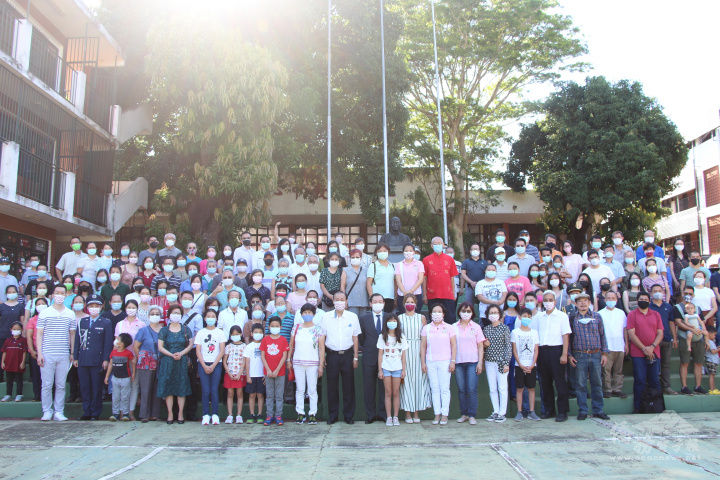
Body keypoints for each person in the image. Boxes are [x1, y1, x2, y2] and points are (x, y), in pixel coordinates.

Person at [567, 292, 610, 420]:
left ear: (589, 303)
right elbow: (568, 338)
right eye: (580, 301)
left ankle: (598, 410)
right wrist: (569, 355)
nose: (583, 303)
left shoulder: (597, 316)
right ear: (576, 303)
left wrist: (604, 353)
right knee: (580, 385)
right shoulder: (572, 318)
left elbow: (602, 335)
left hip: (595, 354)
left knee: (597, 384)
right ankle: (583, 410)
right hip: (580, 355)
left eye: (585, 300)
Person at [36, 284, 76, 421]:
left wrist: (72, 352)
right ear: (53, 295)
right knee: (47, 384)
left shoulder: (70, 314)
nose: (59, 295)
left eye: (62, 293)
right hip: (47, 353)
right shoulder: (45, 313)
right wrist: (40, 353)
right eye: (57, 292)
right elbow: (39, 334)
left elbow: (72, 334)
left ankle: (59, 411)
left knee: (61, 384)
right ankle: (47, 411)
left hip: (63, 353)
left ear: (65, 295)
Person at [322, 291, 360, 424]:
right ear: (333, 301)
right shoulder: (326, 317)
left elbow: (355, 338)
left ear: (346, 301)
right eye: (337, 299)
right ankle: (333, 416)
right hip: (332, 355)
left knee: (348, 387)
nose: (339, 302)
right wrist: (323, 356)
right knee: (332, 387)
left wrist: (356, 357)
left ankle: (348, 416)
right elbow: (322, 337)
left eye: (342, 299)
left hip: (347, 355)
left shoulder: (352, 317)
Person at [73, 295, 112, 420]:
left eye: (96, 306)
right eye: (91, 306)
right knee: (84, 387)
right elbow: (77, 341)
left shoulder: (106, 322)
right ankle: (86, 411)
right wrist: (75, 357)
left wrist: (106, 359)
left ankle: (95, 412)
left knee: (96, 388)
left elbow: (107, 343)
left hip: (97, 360)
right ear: (87, 307)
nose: (94, 308)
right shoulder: (82, 322)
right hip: (83, 359)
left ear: (101, 307)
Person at [535, 289, 571, 422]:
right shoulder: (539, 317)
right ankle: (549, 410)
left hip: (556, 350)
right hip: (542, 351)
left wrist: (564, 354)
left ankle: (562, 411)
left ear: (555, 301)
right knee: (545, 383)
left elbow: (565, 335)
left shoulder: (562, 316)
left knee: (560, 382)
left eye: (550, 300)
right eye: (545, 300)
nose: (548, 302)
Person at [288, 303, 325, 425]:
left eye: (309, 312)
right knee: (300, 389)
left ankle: (312, 414)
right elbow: (291, 345)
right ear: (301, 314)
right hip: (298, 362)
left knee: (312, 390)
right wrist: (288, 359)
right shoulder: (296, 328)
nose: (307, 314)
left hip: (313, 363)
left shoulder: (318, 329)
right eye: (305, 312)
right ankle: (300, 413)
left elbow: (321, 348)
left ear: (314, 314)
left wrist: (321, 365)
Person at [627, 292, 664, 413]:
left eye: (646, 299)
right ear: (637, 301)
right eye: (641, 299)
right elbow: (631, 334)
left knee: (654, 380)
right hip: (638, 353)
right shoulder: (632, 314)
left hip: (654, 352)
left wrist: (652, 347)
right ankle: (638, 407)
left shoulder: (656, 314)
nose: (643, 301)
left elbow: (660, 333)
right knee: (640, 380)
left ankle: (657, 406)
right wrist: (644, 348)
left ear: (649, 301)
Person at [420, 303, 457, 425]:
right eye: (434, 311)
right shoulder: (426, 328)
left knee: (444, 389)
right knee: (434, 388)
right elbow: (423, 346)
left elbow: (453, 345)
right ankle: (437, 414)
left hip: (445, 362)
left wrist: (453, 361)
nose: (437, 314)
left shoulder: (449, 328)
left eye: (439, 311)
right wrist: (423, 362)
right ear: (430, 314)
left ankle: (445, 414)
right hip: (431, 361)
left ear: (443, 314)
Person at [157, 305, 194, 424]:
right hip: (167, 361)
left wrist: (181, 353)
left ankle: (180, 413)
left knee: (181, 386)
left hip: (181, 361)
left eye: (178, 313)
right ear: (169, 315)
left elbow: (190, 344)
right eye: (173, 313)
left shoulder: (185, 329)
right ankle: (170, 413)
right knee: (168, 387)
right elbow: (160, 346)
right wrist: (171, 354)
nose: (176, 315)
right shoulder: (164, 330)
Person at [398, 293, 430, 423]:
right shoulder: (399, 318)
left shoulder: (421, 318)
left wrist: (423, 358)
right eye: (407, 302)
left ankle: (416, 412)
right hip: (404, 351)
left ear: (416, 304)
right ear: (404, 304)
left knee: (418, 381)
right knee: (406, 382)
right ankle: (407, 413)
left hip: (418, 351)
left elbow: (424, 338)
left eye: (412, 302)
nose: (410, 304)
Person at [358, 294, 390, 424]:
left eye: (380, 301)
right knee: (369, 387)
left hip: (386, 357)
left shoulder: (389, 317)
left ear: (384, 303)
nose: (378, 303)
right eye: (375, 301)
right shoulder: (364, 318)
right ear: (370, 304)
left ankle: (383, 414)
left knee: (384, 388)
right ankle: (370, 415)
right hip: (369, 356)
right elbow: (361, 338)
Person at [454, 302, 485, 425]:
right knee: (462, 390)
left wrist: (480, 362)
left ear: (472, 313)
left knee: (471, 389)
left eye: (468, 311)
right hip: (458, 362)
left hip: (472, 362)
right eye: (463, 311)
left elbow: (480, 346)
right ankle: (464, 414)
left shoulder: (476, 327)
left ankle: (472, 415)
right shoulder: (453, 327)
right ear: (459, 312)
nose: (466, 313)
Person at [195, 308, 227, 425]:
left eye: (213, 316)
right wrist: (204, 365)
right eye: (208, 316)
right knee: (205, 390)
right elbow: (198, 350)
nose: (210, 318)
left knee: (214, 390)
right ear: (204, 318)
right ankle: (205, 414)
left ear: (216, 319)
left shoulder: (220, 332)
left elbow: (222, 350)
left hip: (216, 364)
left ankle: (215, 414)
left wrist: (213, 365)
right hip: (203, 364)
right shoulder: (201, 332)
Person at [673, 289, 708, 395]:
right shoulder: (677, 307)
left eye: (690, 293)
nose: (688, 295)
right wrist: (692, 330)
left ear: (693, 295)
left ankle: (698, 386)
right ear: (682, 294)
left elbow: (702, 323)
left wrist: (706, 338)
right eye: (686, 293)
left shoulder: (697, 308)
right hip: (685, 337)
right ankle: (684, 387)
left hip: (699, 338)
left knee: (699, 363)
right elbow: (679, 323)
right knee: (685, 362)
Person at [481, 304, 511, 423]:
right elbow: (483, 346)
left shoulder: (504, 328)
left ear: (499, 314)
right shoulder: (486, 329)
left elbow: (508, 347)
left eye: (495, 312)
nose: (493, 315)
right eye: (491, 313)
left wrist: (506, 363)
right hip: (489, 362)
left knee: (502, 388)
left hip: (501, 362)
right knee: (492, 388)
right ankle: (495, 411)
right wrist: (485, 346)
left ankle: (502, 412)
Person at [377, 314, 408, 427]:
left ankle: (396, 417)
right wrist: (380, 370)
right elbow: (380, 355)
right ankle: (389, 417)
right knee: (388, 392)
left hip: (397, 368)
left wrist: (403, 370)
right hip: (386, 368)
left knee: (395, 392)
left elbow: (404, 355)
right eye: (390, 320)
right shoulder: (382, 337)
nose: (392, 322)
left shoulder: (402, 337)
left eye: (394, 320)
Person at [133, 306, 163, 422]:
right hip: (146, 364)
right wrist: (142, 357)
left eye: (157, 314)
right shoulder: (143, 330)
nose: (155, 316)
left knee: (157, 389)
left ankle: (155, 414)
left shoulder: (163, 331)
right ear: (148, 316)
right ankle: (144, 415)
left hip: (160, 363)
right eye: (152, 313)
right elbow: (136, 346)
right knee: (145, 389)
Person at [511, 308, 541, 422]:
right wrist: (520, 364)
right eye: (524, 316)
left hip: (531, 366)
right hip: (519, 365)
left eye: (529, 317)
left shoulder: (534, 333)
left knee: (531, 388)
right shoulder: (515, 332)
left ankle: (531, 412)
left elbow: (536, 350)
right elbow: (514, 350)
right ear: (519, 317)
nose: (526, 319)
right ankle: (519, 412)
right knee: (520, 388)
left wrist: (533, 364)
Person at [598, 291, 629, 399]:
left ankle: (617, 389)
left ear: (616, 300)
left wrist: (626, 343)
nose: (611, 300)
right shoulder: (600, 313)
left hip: (619, 345)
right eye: (609, 298)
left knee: (618, 370)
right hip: (607, 347)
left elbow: (625, 329)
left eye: (613, 298)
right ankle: (607, 389)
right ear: (604, 300)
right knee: (606, 370)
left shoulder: (621, 313)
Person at [648, 284, 677, 396]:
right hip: (653, 341)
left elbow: (671, 323)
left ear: (663, 292)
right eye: (655, 291)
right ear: (651, 293)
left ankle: (666, 386)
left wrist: (674, 338)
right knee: (653, 364)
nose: (658, 293)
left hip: (666, 339)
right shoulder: (649, 307)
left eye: (660, 290)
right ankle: (653, 387)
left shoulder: (668, 306)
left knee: (666, 364)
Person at [423, 237, 459, 324]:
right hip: (432, 294)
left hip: (447, 294)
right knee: (434, 320)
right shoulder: (426, 260)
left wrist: (453, 293)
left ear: (443, 245)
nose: (437, 245)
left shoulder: (450, 259)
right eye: (435, 244)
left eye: (439, 243)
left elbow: (452, 277)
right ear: (431, 246)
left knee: (450, 319)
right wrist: (424, 295)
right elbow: (424, 278)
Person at [104, 333, 135, 421]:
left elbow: (133, 363)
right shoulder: (113, 352)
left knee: (125, 397)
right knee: (115, 397)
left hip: (125, 378)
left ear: (121, 344)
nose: (116, 341)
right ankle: (115, 414)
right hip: (115, 378)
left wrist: (133, 373)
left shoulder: (128, 353)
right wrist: (107, 376)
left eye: (118, 339)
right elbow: (110, 364)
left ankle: (125, 414)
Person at [0, 285, 24, 381]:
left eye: (13, 292)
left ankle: (16, 377)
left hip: (17, 336)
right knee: (2, 355)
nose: (11, 294)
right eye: (9, 292)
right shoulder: (2, 306)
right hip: (3, 334)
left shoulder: (20, 306)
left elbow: (22, 321)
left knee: (16, 356)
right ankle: (1, 376)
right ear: (6, 294)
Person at [223, 325, 247, 424]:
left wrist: (240, 373)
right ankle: (230, 415)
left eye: (237, 334)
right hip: (229, 374)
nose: (235, 336)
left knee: (239, 393)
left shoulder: (244, 346)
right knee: (230, 394)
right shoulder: (228, 346)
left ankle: (239, 415)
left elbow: (244, 362)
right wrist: (229, 373)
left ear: (241, 334)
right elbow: (224, 361)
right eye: (233, 334)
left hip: (240, 374)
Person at [243, 323, 266, 423]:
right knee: (252, 395)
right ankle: (251, 414)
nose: (258, 334)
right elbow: (247, 362)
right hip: (252, 375)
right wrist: (248, 376)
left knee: (260, 395)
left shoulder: (265, 345)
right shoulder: (249, 347)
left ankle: (260, 414)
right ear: (251, 333)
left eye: (260, 332)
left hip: (262, 375)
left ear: (263, 333)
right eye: (256, 332)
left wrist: (265, 374)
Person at [25, 297, 47, 401]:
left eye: (43, 304)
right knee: (36, 374)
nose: (41, 306)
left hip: (49, 351)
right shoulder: (32, 320)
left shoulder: (51, 318)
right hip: (36, 352)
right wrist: (32, 350)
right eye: (38, 304)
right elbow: (29, 336)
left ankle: (48, 394)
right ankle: (37, 394)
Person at [1, 322, 27, 402]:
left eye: (18, 329)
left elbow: (24, 352)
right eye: (14, 329)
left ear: (22, 330)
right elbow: (4, 352)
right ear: (11, 330)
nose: (16, 331)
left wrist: (23, 362)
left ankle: (19, 395)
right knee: (9, 380)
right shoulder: (8, 340)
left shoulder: (23, 340)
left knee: (19, 380)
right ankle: (8, 394)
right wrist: (2, 362)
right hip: (9, 364)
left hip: (18, 364)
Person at [366, 244, 395, 313]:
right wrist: (372, 298)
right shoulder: (373, 266)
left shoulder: (392, 266)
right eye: (380, 251)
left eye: (385, 251)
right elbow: (368, 283)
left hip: (390, 297)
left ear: (388, 252)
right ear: (376, 253)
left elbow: (395, 283)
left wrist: (395, 297)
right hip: (377, 298)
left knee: (388, 317)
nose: (383, 253)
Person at [341, 249, 369, 317]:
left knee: (363, 321)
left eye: (357, 257)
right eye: (353, 257)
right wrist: (344, 300)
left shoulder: (366, 270)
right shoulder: (346, 270)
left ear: (361, 258)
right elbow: (342, 286)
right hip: (351, 301)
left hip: (364, 301)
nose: (355, 259)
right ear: (350, 259)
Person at [460, 243, 487, 309]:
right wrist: (471, 282)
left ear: (479, 251)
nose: (475, 250)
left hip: (482, 287)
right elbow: (463, 274)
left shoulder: (484, 262)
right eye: (473, 249)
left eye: (476, 249)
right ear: (470, 251)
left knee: (483, 305)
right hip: (470, 286)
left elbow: (487, 274)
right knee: (469, 305)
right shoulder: (466, 262)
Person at [706, 326, 720, 394]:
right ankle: (711, 389)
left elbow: (714, 349)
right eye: (714, 335)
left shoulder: (711, 342)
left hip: (713, 361)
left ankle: (714, 388)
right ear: (709, 334)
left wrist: (717, 348)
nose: (715, 336)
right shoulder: (709, 342)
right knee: (711, 375)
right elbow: (713, 351)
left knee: (713, 375)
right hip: (711, 361)